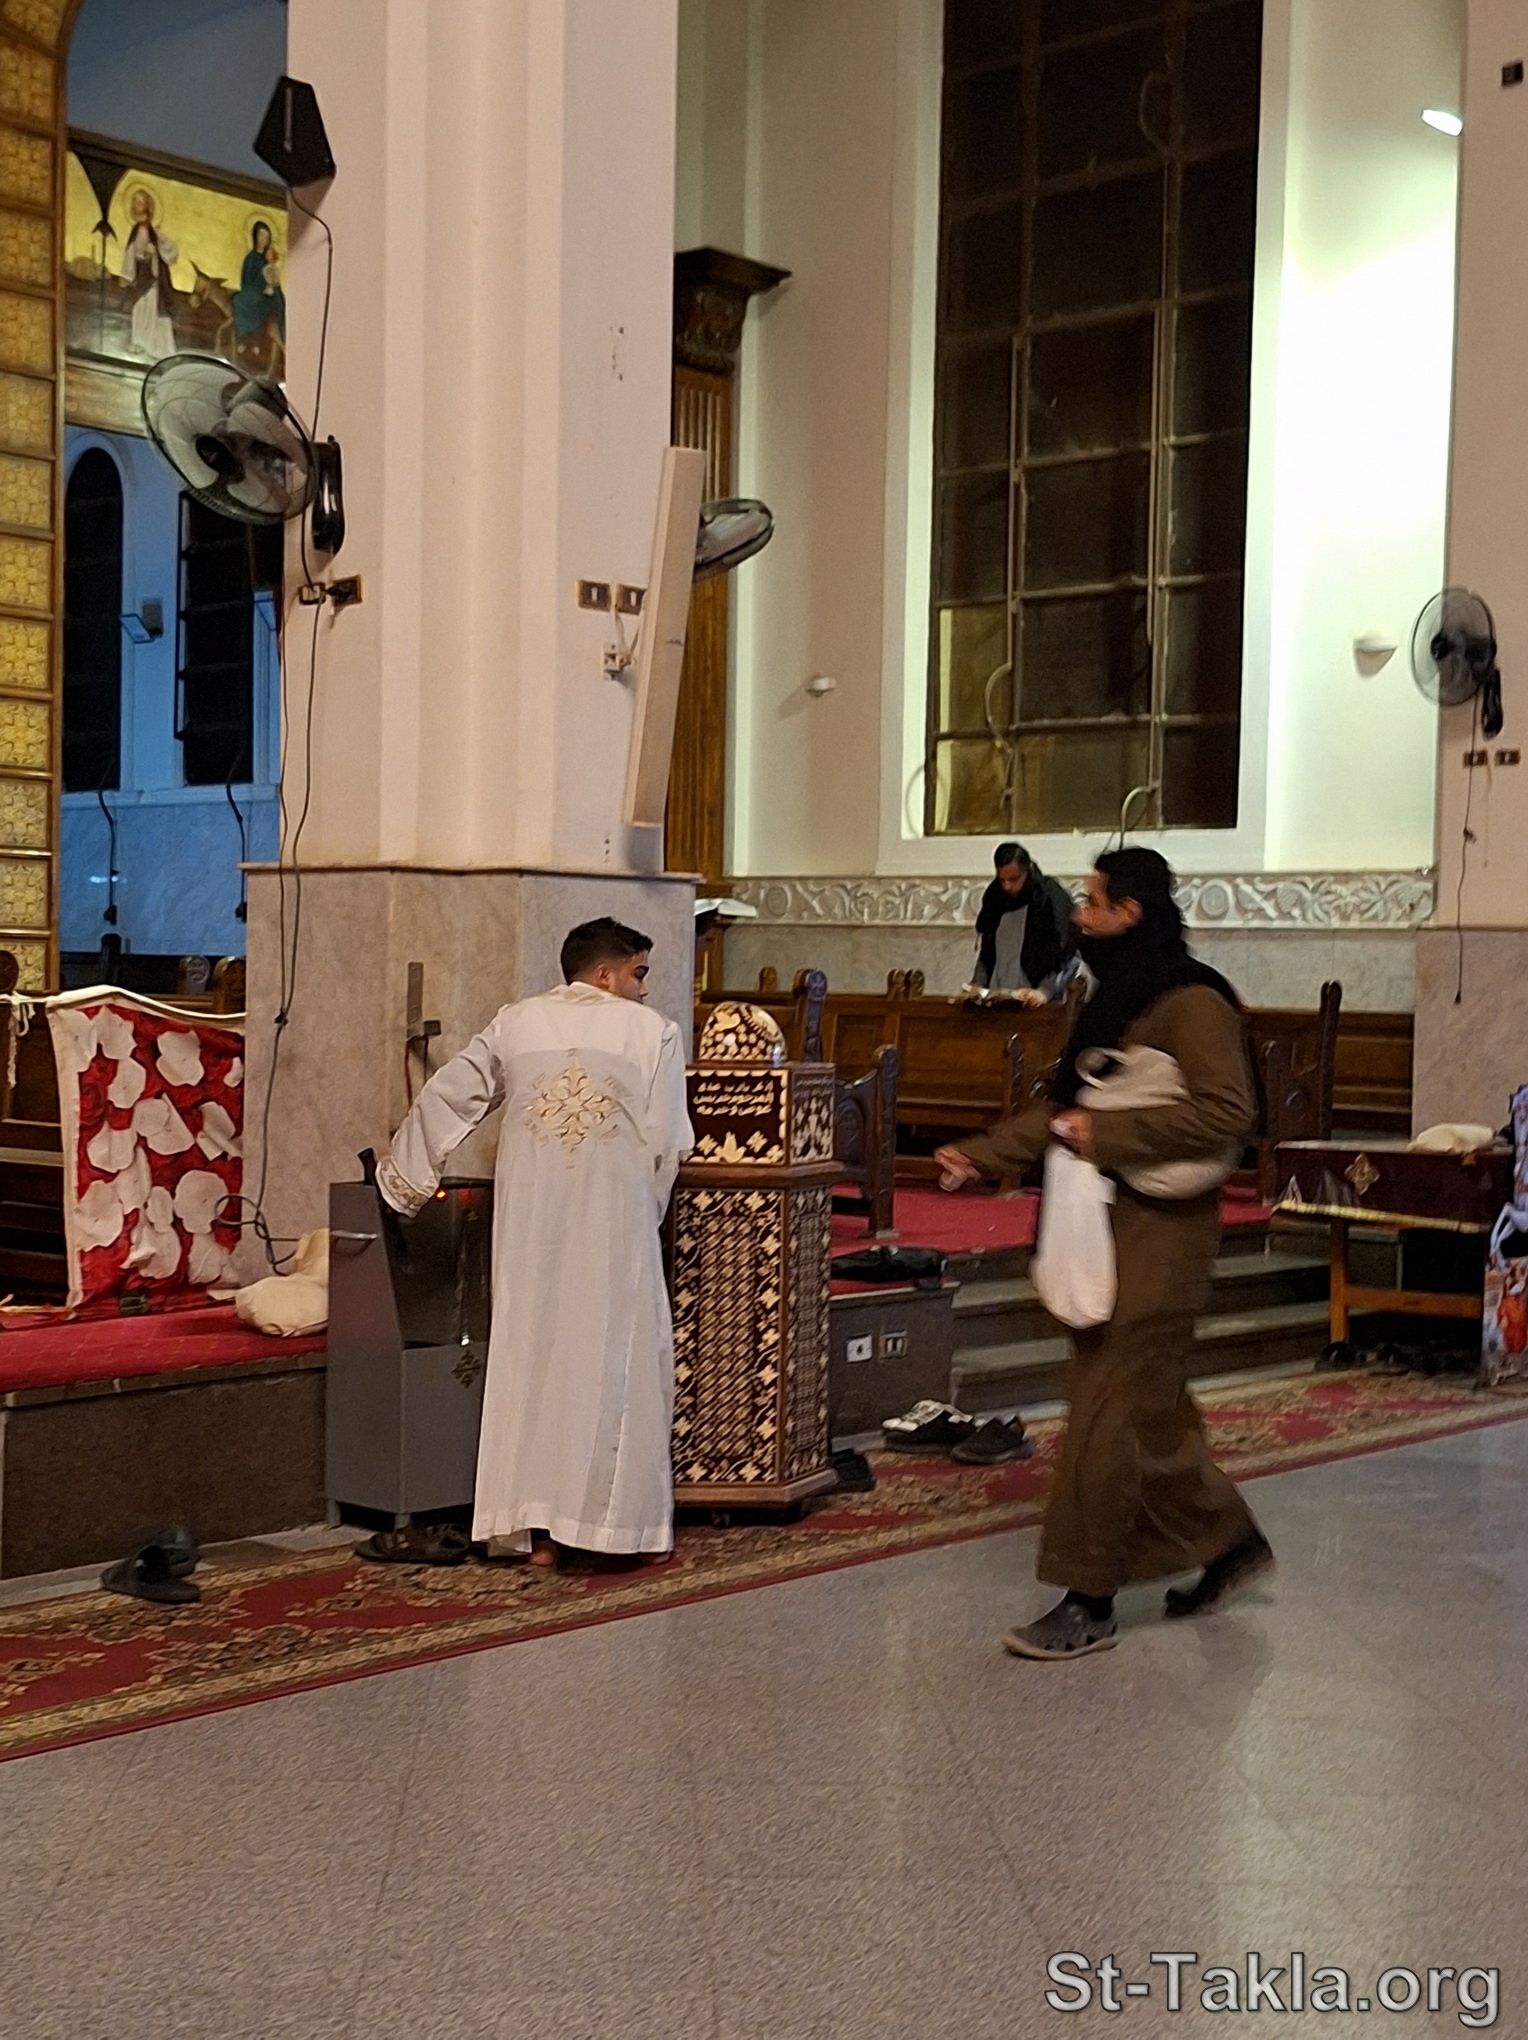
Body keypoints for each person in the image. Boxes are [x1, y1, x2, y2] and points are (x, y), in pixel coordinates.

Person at [936, 847, 1273, 1661]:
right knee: (1147, 1412)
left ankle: (1088, 1599)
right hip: (1105, 1226)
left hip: (1164, 1235)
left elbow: (1229, 1112)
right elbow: (1068, 1111)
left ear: (1132, 913)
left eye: (1091, 903)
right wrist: (981, 1154)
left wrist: (1109, 1133)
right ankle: (1227, 1540)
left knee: (1108, 1409)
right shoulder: (1115, 999)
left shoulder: (1193, 1001)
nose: (1078, 917)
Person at [374, 918, 694, 1565]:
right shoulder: (654, 1033)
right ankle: (612, 1533)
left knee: (534, 1362)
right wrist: (646, 1213)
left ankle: (536, 1530)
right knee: (613, 1363)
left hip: (531, 1229)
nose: (642, 990)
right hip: (612, 1227)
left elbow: (450, 1094)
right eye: (638, 974)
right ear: (604, 974)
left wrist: (402, 1181)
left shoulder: (514, 1023)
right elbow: (667, 1143)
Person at [970, 842, 1077, 1002]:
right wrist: (977, 985)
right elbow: (987, 951)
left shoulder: (1050, 898)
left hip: (1034, 999)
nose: (1007, 886)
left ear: (1028, 870)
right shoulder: (994, 898)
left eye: (1013, 879)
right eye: (1002, 880)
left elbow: (1064, 952)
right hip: (997, 997)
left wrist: (1044, 991)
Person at [120, 187, 178, 361]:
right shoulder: (135, 231)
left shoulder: (155, 234)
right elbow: (130, 253)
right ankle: (140, 343)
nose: (137, 205)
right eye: (135, 202)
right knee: (140, 309)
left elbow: (171, 251)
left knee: (153, 311)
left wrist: (154, 252)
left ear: (147, 206)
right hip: (140, 279)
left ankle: (159, 349)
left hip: (152, 280)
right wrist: (126, 275)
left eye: (140, 202)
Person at [231, 219, 286, 361]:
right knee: (238, 300)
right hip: (251, 292)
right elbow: (245, 280)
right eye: (261, 235)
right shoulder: (250, 258)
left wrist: (270, 288)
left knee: (256, 303)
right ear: (255, 236)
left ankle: (255, 341)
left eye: (266, 237)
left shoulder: (267, 260)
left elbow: (273, 280)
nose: (263, 239)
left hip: (265, 296)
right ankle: (244, 339)